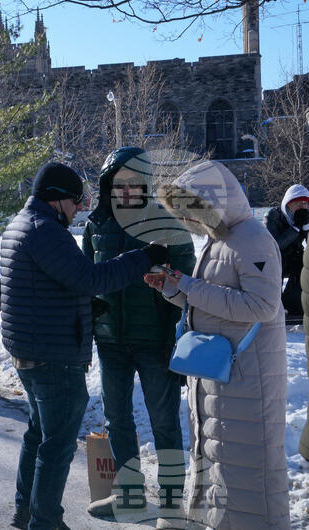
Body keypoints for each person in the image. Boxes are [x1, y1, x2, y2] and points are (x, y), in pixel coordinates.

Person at [0, 161, 167, 530]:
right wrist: (143, 257)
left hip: (31, 348)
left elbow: (43, 287)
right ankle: (45, 521)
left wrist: (80, 307)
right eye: (75, 201)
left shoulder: (21, 224)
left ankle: (24, 511)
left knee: (39, 433)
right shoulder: (45, 230)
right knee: (57, 445)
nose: (79, 209)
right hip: (52, 356)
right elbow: (90, 277)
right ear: (55, 198)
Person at [149, 160, 289, 529]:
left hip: (247, 379)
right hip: (221, 379)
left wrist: (190, 286)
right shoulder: (221, 241)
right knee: (221, 471)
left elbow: (261, 306)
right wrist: (172, 288)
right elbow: (214, 304)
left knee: (249, 478)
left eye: (195, 209)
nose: (191, 220)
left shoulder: (253, 239)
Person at [82, 148, 195, 526]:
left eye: (134, 182)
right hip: (110, 338)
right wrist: (91, 310)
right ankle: (129, 497)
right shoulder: (96, 225)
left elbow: (189, 280)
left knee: (164, 421)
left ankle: (171, 506)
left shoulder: (168, 223)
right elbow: (85, 277)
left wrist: (169, 281)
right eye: (119, 182)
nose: (127, 189)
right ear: (108, 184)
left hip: (156, 338)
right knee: (117, 417)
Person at [265, 184, 309, 324]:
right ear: (288, 204)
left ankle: (294, 302)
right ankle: (274, 302)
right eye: (298, 203)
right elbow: (274, 247)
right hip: (271, 261)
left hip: (294, 258)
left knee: (305, 264)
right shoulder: (273, 216)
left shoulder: (305, 217)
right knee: (279, 259)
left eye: (305, 203)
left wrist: (307, 228)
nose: (302, 207)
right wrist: (296, 228)